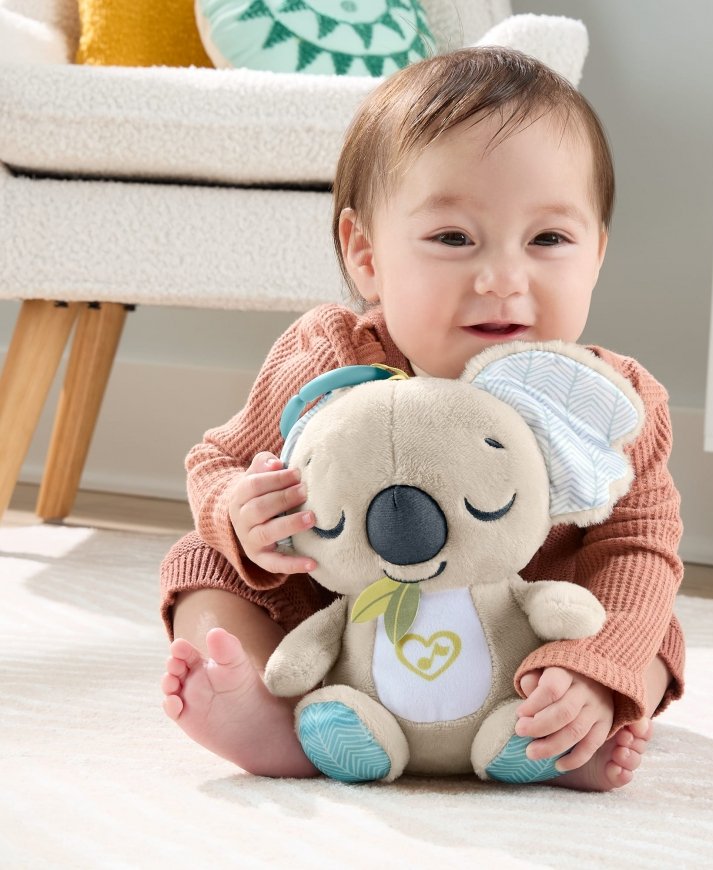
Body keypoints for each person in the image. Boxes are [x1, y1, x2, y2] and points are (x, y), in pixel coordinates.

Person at [160, 46, 684, 792]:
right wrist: (240, 514)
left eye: (548, 240)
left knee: (647, 627)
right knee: (203, 565)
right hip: (341, 636)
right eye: (453, 238)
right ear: (367, 255)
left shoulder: (610, 404)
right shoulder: (332, 358)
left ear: (595, 255)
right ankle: (274, 714)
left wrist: (599, 668)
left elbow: (639, 546)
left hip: (527, 641)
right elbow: (218, 461)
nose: (503, 278)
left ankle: (570, 721)